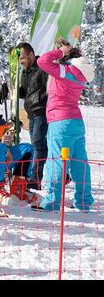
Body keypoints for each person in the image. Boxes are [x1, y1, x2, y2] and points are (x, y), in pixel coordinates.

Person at [32, 39, 95, 212]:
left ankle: (51, 201)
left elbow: (42, 61)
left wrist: (60, 52)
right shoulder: (79, 73)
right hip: (76, 122)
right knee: (79, 163)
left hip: (60, 123)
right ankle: (83, 202)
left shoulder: (65, 71)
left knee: (56, 162)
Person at [16, 42, 49, 190]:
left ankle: (35, 179)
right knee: (42, 146)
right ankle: (63, 172)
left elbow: (50, 89)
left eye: (22, 57)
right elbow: (25, 92)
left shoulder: (42, 68)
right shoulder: (26, 72)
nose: (21, 61)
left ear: (31, 55)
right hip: (31, 113)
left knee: (37, 145)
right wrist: (13, 89)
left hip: (41, 111)